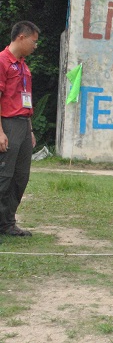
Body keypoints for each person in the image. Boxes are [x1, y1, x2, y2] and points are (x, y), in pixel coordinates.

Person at [0, 21, 39, 238]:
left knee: (20, 177)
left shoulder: (23, 65)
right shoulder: (2, 61)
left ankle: (7, 223)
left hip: (24, 124)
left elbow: (26, 100)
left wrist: (30, 130)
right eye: (33, 41)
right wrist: (0, 132)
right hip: (8, 123)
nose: (35, 46)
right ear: (21, 38)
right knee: (3, 175)